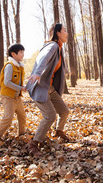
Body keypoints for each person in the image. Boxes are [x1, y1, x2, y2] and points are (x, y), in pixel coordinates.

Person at [26, 23, 70, 156]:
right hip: (40, 87)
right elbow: (42, 58)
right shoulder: (52, 46)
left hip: (49, 88)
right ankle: (33, 145)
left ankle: (59, 131)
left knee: (64, 111)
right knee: (50, 116)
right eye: (64, 31)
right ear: (58, 33)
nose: (67, 33)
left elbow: (56, 65)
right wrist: (38, 73)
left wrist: (66, 71)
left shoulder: (59, 48)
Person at [0, 44, 27, 141]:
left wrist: (23, 87)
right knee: (8, 118)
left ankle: (22, 135)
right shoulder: (9, 66)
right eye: (21, 52)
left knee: (22, 116)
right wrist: (20, 88)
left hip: (17, 97)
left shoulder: (20, 67)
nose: (23, 54)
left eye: (23, 52)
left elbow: (18, 81)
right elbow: (7, 82)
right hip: (8, 97)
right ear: (13, 54)